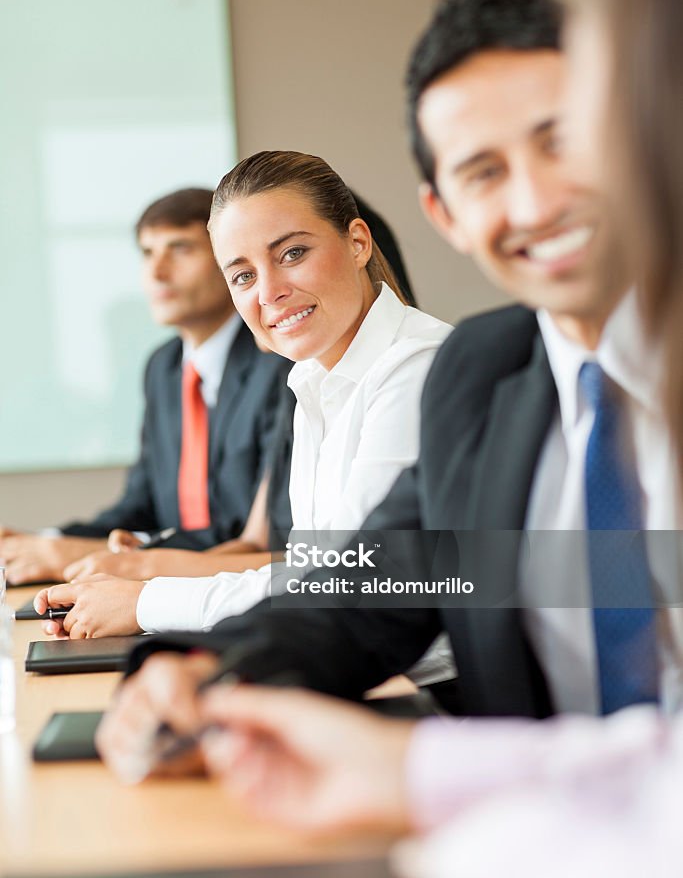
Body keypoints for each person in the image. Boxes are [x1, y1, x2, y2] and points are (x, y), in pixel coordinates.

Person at [107, 0, 683, 878]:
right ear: (441, 214)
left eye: (561, 141)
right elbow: (376, 578)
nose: (533, 202)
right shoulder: (488, 372)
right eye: (481, 170)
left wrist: (417, 774)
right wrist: (215, 675)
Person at [37, 153, 453, 660]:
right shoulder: (314, 383)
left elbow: (351, 583)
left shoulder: (417, 367)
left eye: (293, 253)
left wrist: (147, 601)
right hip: (361, 667)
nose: (270, 292)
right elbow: (309, 573)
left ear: (358, 242)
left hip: (437, 692)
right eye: (243, 276)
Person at [0, 188, 287, 585]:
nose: (157, 273)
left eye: (180, 249)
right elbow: (140, 508)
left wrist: (84, 555)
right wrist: (46, 541)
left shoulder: (278, 359)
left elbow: (254, 537)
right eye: (148, 253)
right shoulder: (164, 368)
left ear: (230, 260)